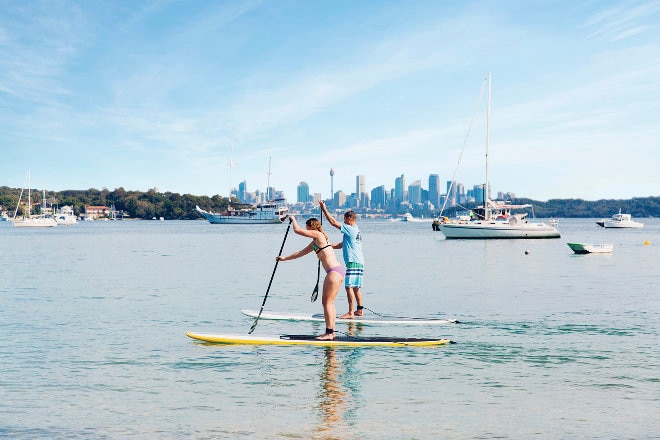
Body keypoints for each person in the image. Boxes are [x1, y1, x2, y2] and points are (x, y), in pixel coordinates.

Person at [276, 215, 345, 340]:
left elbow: (297, 231)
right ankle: (332, 332)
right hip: (338, 271)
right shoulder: (316, 242)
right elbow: (300, 253)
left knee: (327, 303)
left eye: (307, 228)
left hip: (334, 273)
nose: (307, 230)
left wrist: (293, 219)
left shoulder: (318, 235)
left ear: (310, 226)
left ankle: (329, 333)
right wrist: (284, 258)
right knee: (330, 303)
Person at [319, 200, 365, 319]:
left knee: (348, 286)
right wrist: (327, 246)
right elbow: (341, 245)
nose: (344, 222)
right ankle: (359, 310)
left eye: (345, 220)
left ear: (349, 219)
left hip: (353, 262)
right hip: (359, 262)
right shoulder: (356, 229)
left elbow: (333, 222)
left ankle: (350, 312)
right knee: (355, 287)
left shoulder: (350, 228)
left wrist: (324, 208)